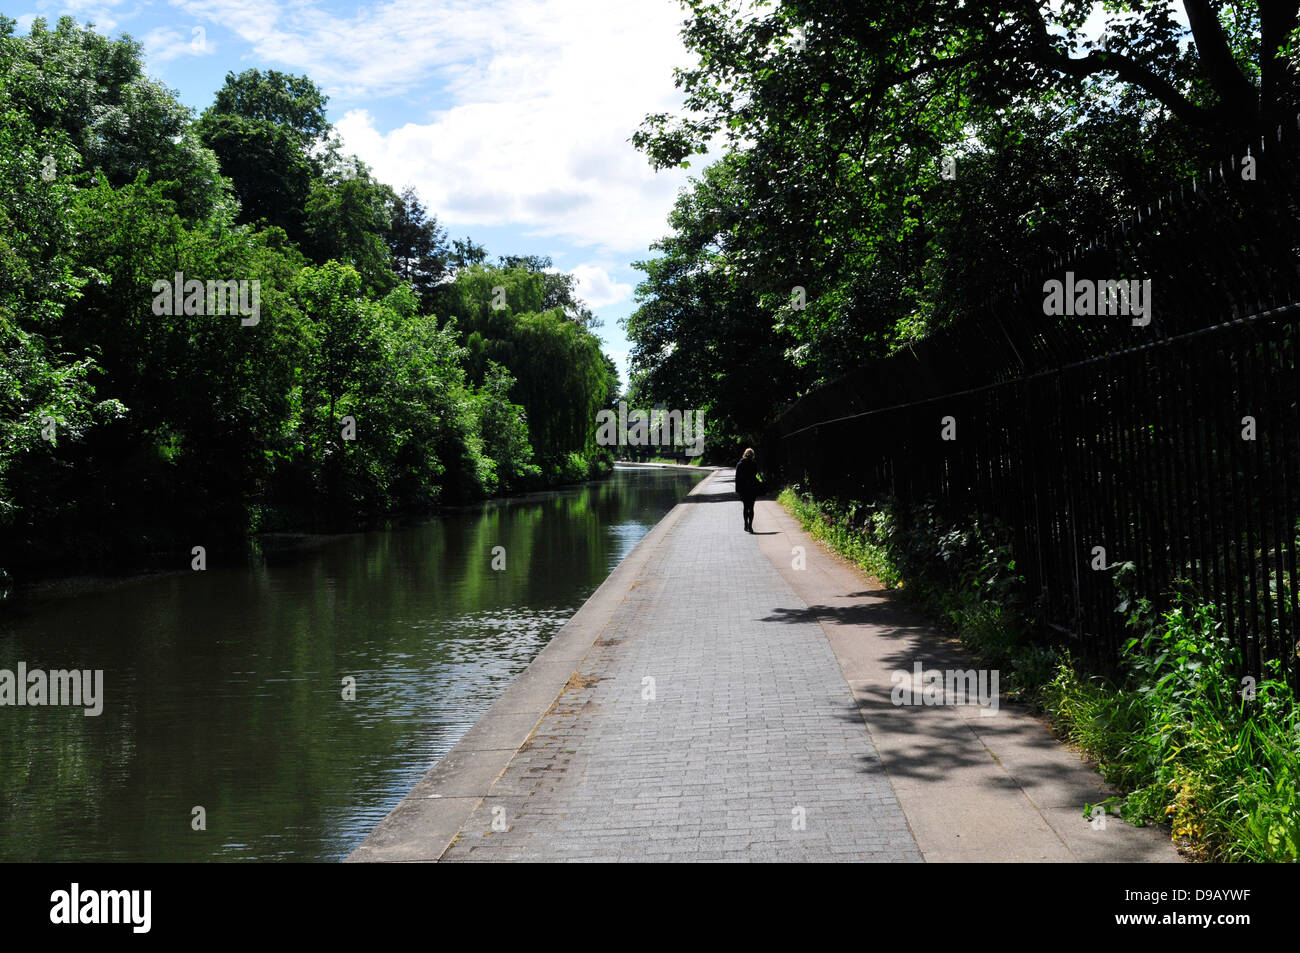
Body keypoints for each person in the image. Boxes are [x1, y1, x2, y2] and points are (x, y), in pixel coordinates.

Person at [734, 447, 759, 533]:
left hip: (743, 488)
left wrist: (737, 489)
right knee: (751, 507)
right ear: (753, 455)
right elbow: (755, 474)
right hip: (752, 487)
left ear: (744, 454)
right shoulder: (754, 464)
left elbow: (737, 478)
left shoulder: (740, 464)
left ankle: (745, 524)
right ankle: (750, 526)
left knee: (745, 507)